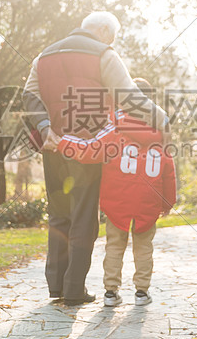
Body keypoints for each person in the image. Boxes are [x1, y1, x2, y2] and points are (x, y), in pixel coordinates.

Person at [23, 12, 166, 305]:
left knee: (59, 214)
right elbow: (129, 97)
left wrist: (45, 128)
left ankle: (56, 287)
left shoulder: (43, 56)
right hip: (89, 148)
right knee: (84, 218)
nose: (111, 42)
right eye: (111, 36)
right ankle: (75, 289)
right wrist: (161, 118)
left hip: (53, 148)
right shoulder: (103, 54)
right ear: (102, 30)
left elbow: (29, 97)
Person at [56, 79, 177, 307]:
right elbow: (168, 171)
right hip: (147, 202)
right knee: (144, 247)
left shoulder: (114, 129)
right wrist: (167, 203)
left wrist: (61, 143)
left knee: (114, 245)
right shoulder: (161, 134)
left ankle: (111, 292)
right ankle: (142, 292)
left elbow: (89, 151)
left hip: (116, 201)